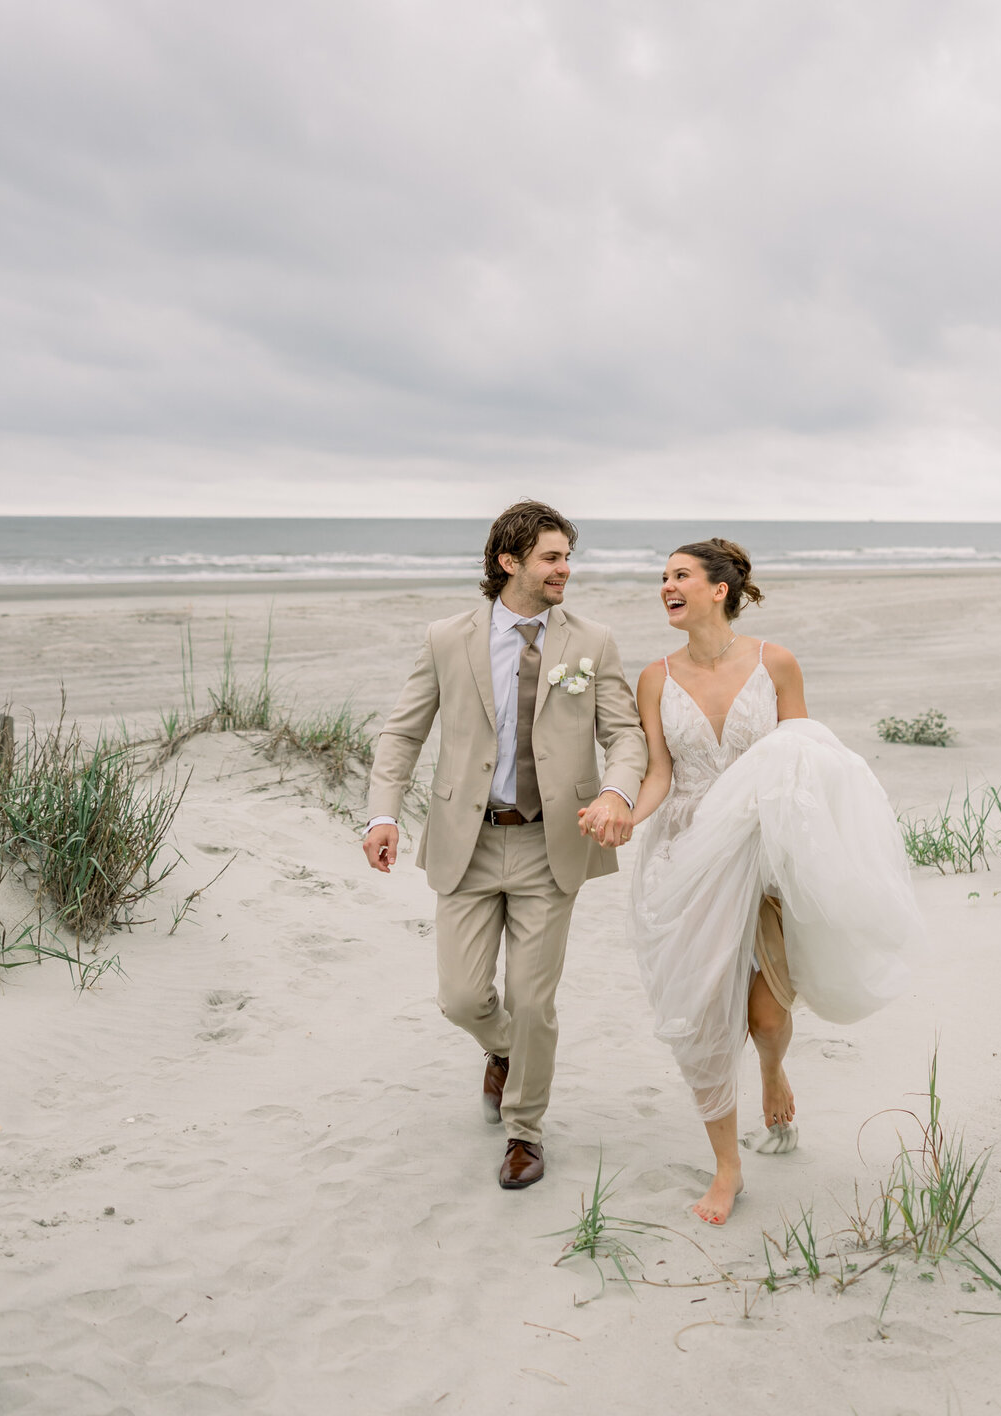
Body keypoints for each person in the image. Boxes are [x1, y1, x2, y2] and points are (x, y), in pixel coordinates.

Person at [594, 539, 921, 1226]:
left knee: (766, 1017)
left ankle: (773, 1068)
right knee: (705, 1019)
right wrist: (623, 810)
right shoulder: (654, 678)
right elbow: (659, 774)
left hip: (766, 852)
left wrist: (812, 849)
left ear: (720, 589)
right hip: (687, 856)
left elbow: (809, 762)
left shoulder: (776, 664)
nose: (665, 586)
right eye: (662, 577)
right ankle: (727, 1169)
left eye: (679, 575)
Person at [364, 500, 647, 1190]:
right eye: (551, 558)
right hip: (468, 840)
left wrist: (617, 793)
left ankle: (525, 1131)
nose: (565, 570)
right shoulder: (446, 638)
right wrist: (382, 815)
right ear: (509, 562)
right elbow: (402, 733)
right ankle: (501, 1052)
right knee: (461, 998)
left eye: (566, 557)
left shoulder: (593, 642)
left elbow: (626, 735)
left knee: (531, 999)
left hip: (553, 845)